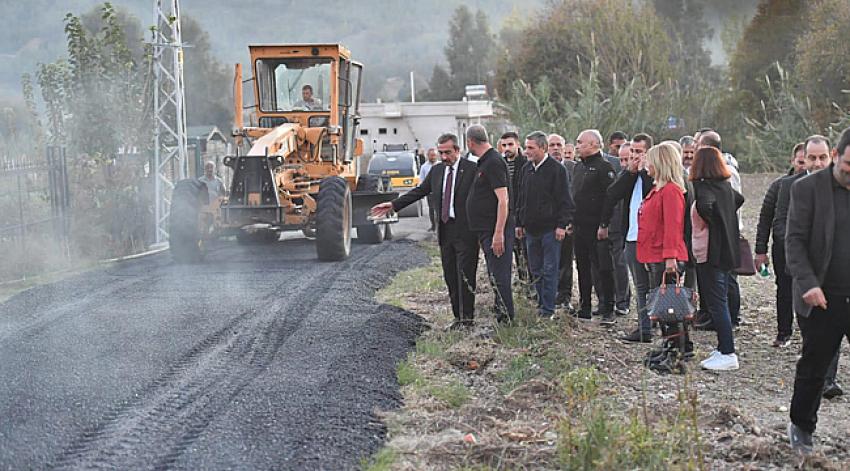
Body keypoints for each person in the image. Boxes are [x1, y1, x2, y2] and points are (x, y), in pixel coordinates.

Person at [371, 133, 479, 329]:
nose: (444, 157)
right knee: (450, 277)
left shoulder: (472, 170)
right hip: (445, 231)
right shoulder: (437, 171)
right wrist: (393, 205)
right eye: (441, 153)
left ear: (457, 150)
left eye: (447, 152)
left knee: (465, 276)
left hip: (467, 232)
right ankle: (458, 319)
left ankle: (468, 320)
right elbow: (419, 191)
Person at [786, 127, 850, 455]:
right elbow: (793, 241)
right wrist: (808, 283)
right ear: (836, 156)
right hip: (821, 296)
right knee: (814, 366)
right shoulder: (807, 189)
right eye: (848, 165)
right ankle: (801, 427)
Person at [775, 136, 843, 397]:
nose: (817, 163)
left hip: (834, 275)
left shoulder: (841, 189)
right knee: (812, 331)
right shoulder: (791, 186)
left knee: (832, 327)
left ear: (832, 156)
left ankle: (829, 380)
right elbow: (781, 226)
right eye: (812, 158)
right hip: (802, 273)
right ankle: (814, 376)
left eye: (822, 157)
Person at [690, 146, 744, 371]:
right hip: (725, 252)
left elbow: (704, 206)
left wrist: (713, 222)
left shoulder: (703, 187)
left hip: (710, 253)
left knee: (717, 303)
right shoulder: (725, 187)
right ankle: (723, 346)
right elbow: (739, 199)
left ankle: (727, 352)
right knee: (720, 300)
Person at [515, 131, 574, 318]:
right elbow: (521, 198)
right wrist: (519, 223)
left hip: (550, 230)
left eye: (531, 148)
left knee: (550, 270)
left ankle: (548, 310)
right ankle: (541, 304)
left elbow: (565, 200)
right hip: (530, 231)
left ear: (543, 148)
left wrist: (561, 225)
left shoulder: (557, 170)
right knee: (535, 270)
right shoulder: (526, 169)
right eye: (526, 147)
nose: (526, 151)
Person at [754, 142, 808, 348]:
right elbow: (766, 218)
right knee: (784, 289)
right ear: (793, 161)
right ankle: (784, 331)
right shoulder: (780, 186)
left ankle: (809, 334)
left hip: (810, 248)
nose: (804, 167)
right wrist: (761, 250)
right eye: (801, 162)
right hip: (783, 247)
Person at [603, 133, 655, 341]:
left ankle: (661, 325)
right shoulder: (630, 175)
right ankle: (645, 329)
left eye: (639, 152)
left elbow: (652, 191)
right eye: (632, 152)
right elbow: (612, 194)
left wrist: (643, 171)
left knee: (655, 285)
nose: (634, 157)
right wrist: (631, 172)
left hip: (651, 239)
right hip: (632, 237)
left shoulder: (653, 174)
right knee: (641, 286)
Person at [466, 124, 515, 322]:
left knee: (500, 274)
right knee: (494, 273)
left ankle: (506, 317)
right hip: (485, 229)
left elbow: (503, 200)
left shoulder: (493, 162)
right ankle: (499, 309)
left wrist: (498, 233)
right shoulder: (484, 161)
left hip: (495, 230)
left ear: (470, 142)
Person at [696, 130, 742, 329]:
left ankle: (731, 319)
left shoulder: (724, 172)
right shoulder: (716, 176)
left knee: (726, 283)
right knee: (719, 286)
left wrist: (718, 220)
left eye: (698, 145)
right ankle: (715, 318)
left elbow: (733, 199)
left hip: (724, 235)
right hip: (723, 232)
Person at [573, 129, 617, 324]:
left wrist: (604, 224)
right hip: (579, 226)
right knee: (582, 267)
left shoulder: (603, 167)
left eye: (580, 142)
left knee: (603, 268)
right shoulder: (578, 167)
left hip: (597, 227)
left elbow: (610, 198)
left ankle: (609, 308)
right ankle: (585, 307)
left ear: (593, 144)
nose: (577, 145)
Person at [498, 132, 529, 284]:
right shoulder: (500, 163)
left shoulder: (525, 164)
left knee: (524, 252)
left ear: (517, 144)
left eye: (510, 144)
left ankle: (527, 282)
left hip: (521, 214)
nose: (507, 148)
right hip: (504, 213)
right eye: (504, 145)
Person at [550, 134, 576, 310]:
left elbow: (576, 196)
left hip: (567, 223)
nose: (556, 148)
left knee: (566, 262)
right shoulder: (539, 168)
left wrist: (570, 221)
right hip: (546, 224)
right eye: (552, 145)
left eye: (559, 144)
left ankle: (565, 297)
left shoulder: (573, 168)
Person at [420, 148, 439, 231]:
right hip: (430, 192)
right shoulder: (424, 167)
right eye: (431, 155)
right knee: (431, 209)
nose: (433, 157)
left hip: (440, 192)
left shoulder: (441, 165)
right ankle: (433, 226)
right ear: (428, 156)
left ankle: (440, 226)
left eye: (434, 155)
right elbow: (422, 179)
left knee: (439, 209)